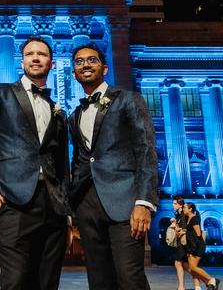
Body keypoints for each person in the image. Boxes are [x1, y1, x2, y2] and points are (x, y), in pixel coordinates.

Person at [0, 36, 71, 290]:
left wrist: (66, 211)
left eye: (42, 54)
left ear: (52, 63)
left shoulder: (58, 110)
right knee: (16, 281)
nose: (35, 58)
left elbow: (61, 164)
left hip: (53, 206)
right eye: (30, 54)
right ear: (22, 61)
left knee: (48, 282)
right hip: (13, 201)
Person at [67, 45, 159, 290]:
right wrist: (73, 203)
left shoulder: (129, 99)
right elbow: (80, 159)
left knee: (130, 278)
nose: (85, 65)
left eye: (92, 60)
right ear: (74, 73)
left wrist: (144, 202)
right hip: (87, 206)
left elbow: (146, 151)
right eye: (79, 62)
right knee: (99, 280)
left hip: (125, 203)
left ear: (104, 68)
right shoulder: (74, 115)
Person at [182, 203, 218, 290]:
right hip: (191, 245)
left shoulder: (194, 218)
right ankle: (198, 287)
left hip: (197, 246)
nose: (183, 209)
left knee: (193, 267)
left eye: (185, 207)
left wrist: (186, 233)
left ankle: (211, 279)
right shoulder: (188, 218)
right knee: (192, 268)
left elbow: (198, 233)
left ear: (190, 209)